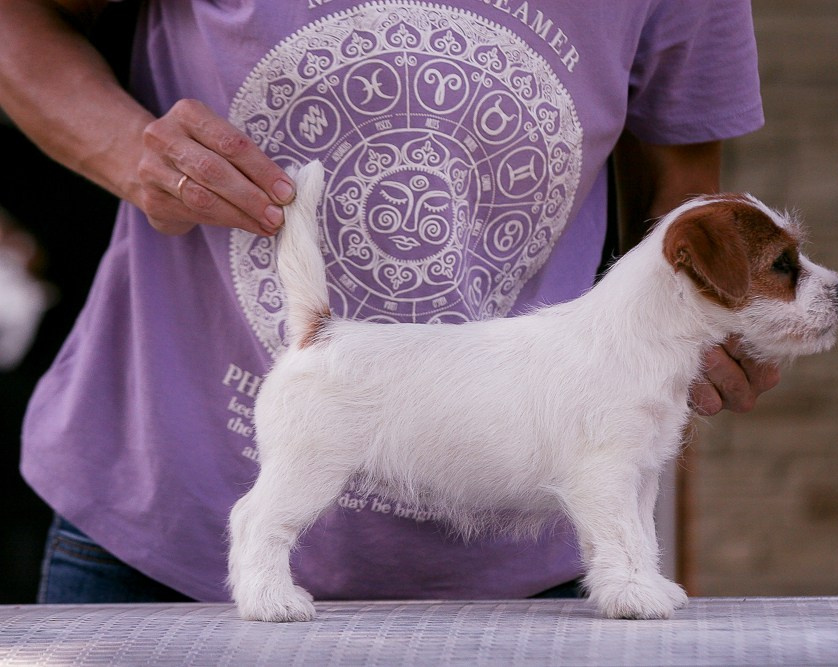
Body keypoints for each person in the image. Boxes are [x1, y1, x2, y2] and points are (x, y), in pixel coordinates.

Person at [0, 0, 779, 604]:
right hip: (162, 519)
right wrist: (126, 146)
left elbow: (679, 192)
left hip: (536, 549)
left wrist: (700, 325)